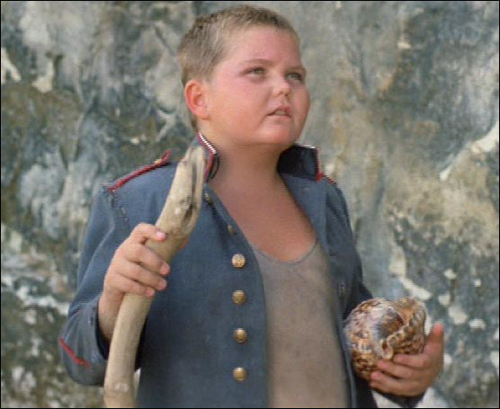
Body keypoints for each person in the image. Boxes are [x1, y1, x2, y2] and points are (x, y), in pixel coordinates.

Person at [59, 4, 444, 408]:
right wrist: (113, 301)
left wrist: (408, 373)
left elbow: (352, 336)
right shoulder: (139, 201)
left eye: (295, 75)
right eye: (257, 71)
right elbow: (80, 361)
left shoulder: (324, 199)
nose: (283, 88)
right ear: (199, 98)